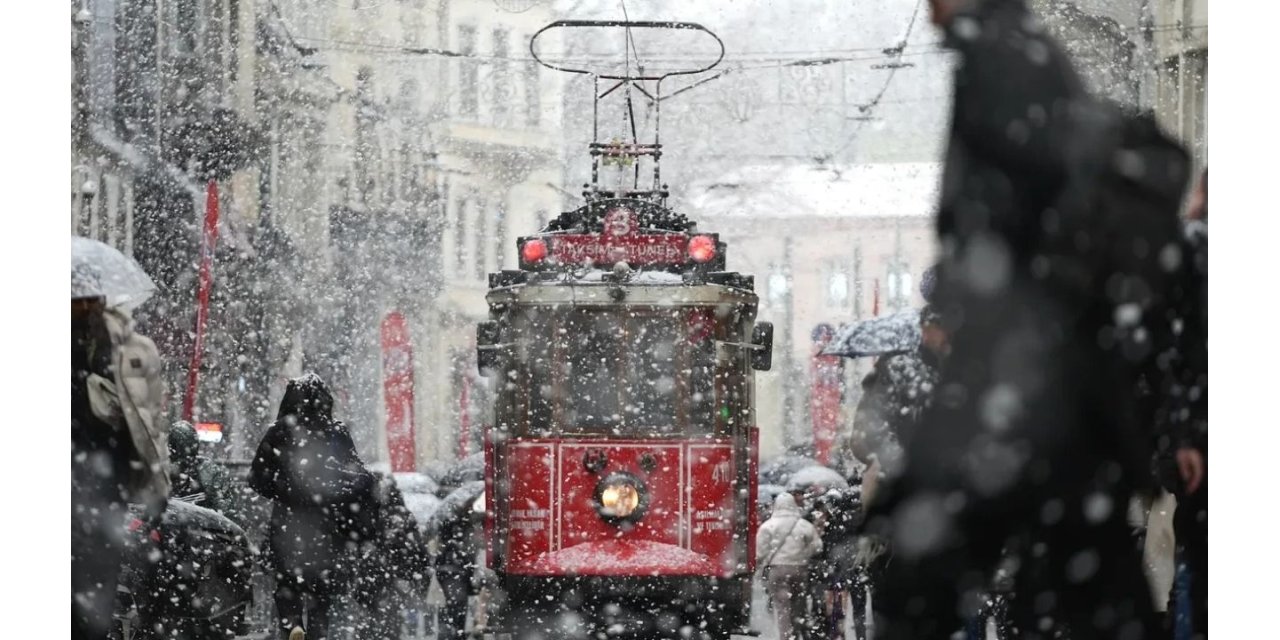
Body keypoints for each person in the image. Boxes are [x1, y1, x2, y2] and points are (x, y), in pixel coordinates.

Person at [870, 1, 1186, 639]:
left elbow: (1014, 218)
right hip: (1053, 378)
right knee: (1086, 576)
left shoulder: (1001, 57)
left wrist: (984, 328)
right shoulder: (1016, 51)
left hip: (1031, 375)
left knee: (922, 572)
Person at [249, 374, 376, 640]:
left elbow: (257, 479)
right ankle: (317, 632)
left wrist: (284, 490)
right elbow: (361, 477)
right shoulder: (337, 432)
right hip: (326, 525)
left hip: (288, 524)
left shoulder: (279, 431)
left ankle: (293, 624)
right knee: (322, 593)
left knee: (287, 585)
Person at [72, 295, 169, 640]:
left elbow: (150, 426)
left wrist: (156, 484)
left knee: (92, 604)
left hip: (101, 490)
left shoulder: (129, 348)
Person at [352, 473, 432, 640]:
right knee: (391, 622)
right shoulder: (402, 515)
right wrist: (419, 572)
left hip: (373, 577)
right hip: (393, 577)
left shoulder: (368, 513)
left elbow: (359, 544)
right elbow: (417, 547)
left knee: (370, 621)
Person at [757, 492, 823, 640]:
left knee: (782, 608)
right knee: (798, 606)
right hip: (800, 569)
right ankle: (797, 632)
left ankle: (785, 637)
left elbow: (760, 552)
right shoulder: (804, 525)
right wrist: (804, 554)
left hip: (777, 570)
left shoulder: (768, 526)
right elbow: (818, 546)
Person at [434, 491, 484, 640]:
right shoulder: (465, 525)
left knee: (449, 607)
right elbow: (467, 551)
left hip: (448, 571)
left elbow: (440, 547)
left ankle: (450, 633)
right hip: (457, 571)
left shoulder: (449, 523)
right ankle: (456, 633)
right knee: (457, 607)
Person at [168, 420, 240, 521]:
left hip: (199, 527)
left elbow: (225, 509)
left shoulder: (207, 470)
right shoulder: (208, 470)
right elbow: (226, 510)